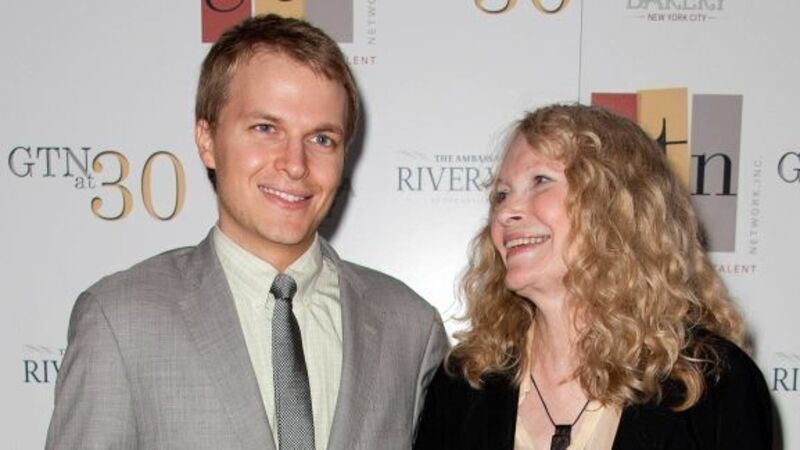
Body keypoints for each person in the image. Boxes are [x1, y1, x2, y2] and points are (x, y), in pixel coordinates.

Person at [46, 14, 448, 450]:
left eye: (321, 139)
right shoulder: (121, 319)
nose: (295, 164)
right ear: (207, 140)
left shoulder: (410, 327)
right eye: (266, 129)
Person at [414, 104, 772, 449]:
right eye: (501, 195)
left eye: (540, 181)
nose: (507, 211)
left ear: (614, 203)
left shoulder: (711, 382)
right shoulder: (465, 383)